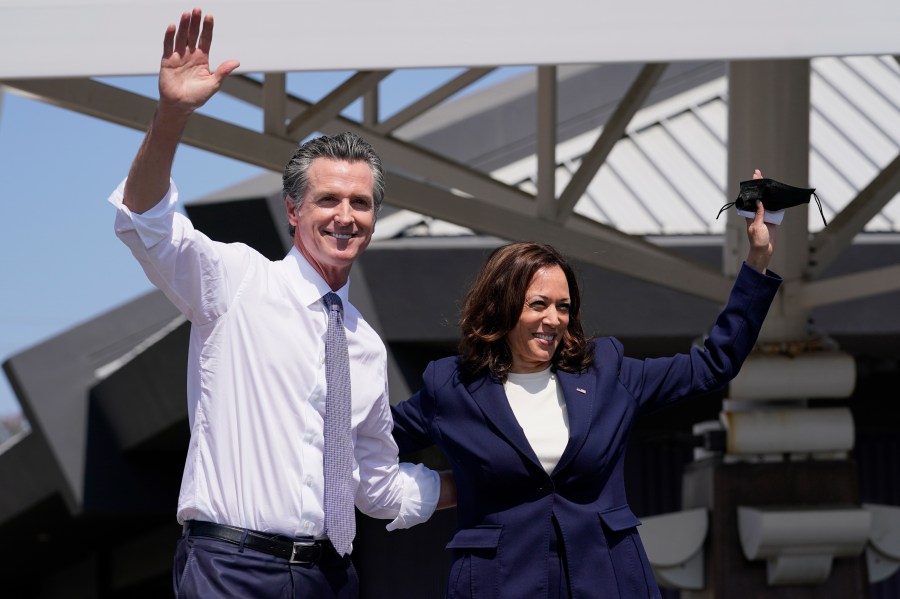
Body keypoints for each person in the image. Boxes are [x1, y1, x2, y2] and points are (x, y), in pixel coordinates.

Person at [109, 8, 449, 599]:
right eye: (328, 200)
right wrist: (170, 117)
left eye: (361, 204)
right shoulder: (239, 281)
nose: (345, 216)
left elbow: (375, 486)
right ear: (294, 211)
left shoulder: (364, 343)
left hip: (331, 576)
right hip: (230, 568)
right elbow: (146, 224)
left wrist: (485, 474)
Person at [391, 180, 781, 599]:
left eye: (563, 306)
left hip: (608, 581)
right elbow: (366, 440)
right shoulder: (450, 387)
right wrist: (428, 490)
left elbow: (713, 365)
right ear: (501, 308)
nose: (555, 318)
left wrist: (756, 262)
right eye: (538, 304)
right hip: (497, 584)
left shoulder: (607, 373)